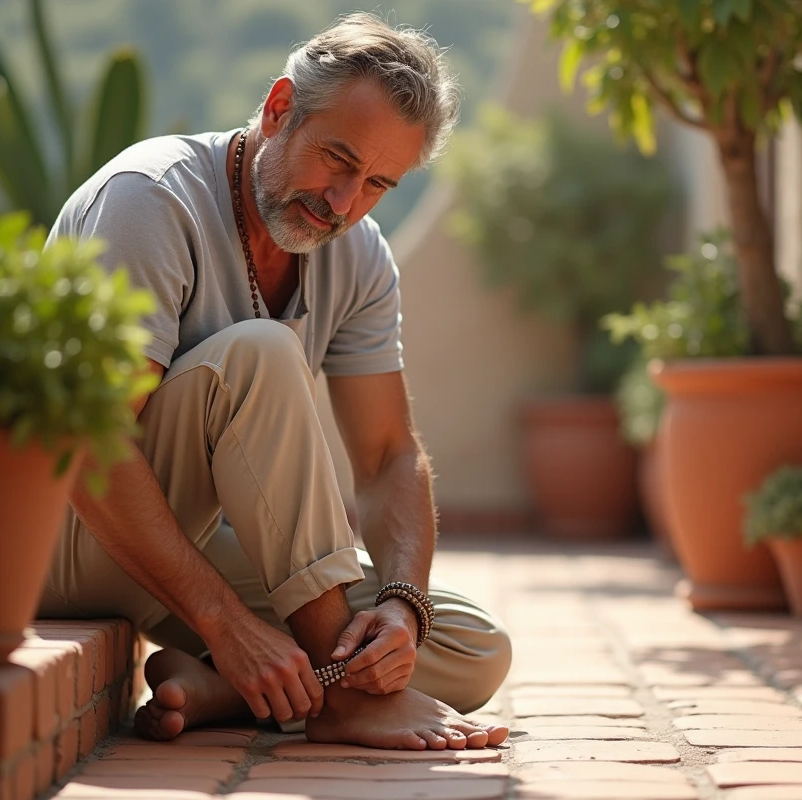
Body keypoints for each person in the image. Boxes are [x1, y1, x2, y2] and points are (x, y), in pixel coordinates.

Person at [40, 12, 511, 751]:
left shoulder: (357, 255)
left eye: (378, 183)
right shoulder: (151, 199)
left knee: (473, 645)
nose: (345, 202)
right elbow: (86, 441)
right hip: (66, 536)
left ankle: (228, 690)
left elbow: (388, 454)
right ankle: (333, 697)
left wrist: (401, 608)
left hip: (193, 542)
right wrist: (225, 624)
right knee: (260, 355)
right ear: (279, 108)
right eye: (337, 160)